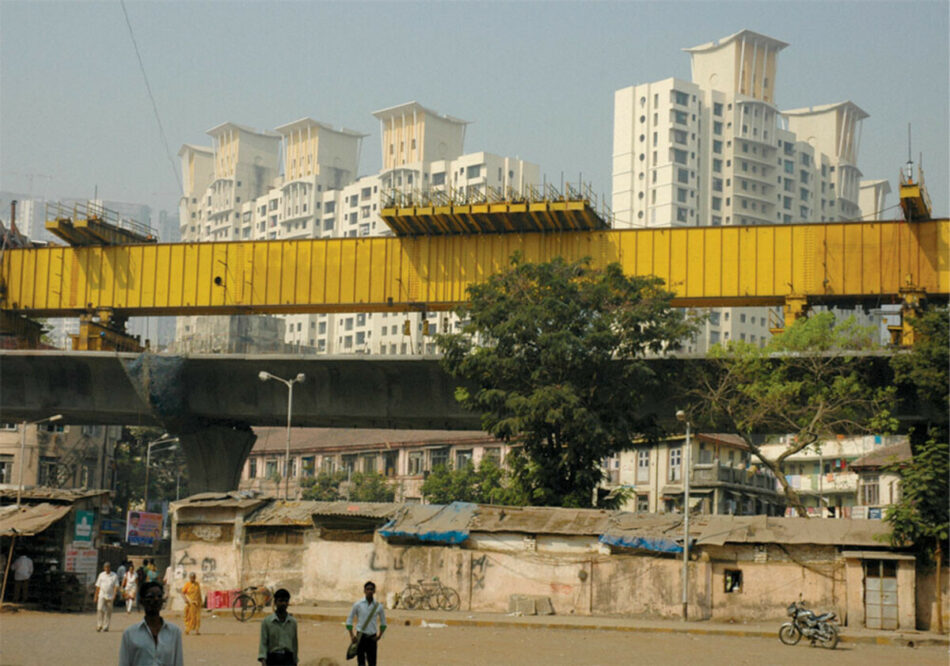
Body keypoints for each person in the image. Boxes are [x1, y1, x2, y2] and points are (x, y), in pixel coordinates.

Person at [118, 581, 183, 666]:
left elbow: (178, 662)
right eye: (150, 597)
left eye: (159, 596)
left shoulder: (174, 632)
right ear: (142, 601)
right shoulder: (130, 634)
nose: (156, 600)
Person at [346, 581, 387, 666]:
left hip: (372, 638)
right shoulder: (358, 605)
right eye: (368, 589)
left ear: (374, 591)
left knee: (372, 662)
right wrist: (352, 635)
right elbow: (349, 620)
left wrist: (379, 636)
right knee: (361, 662)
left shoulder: (378, 606)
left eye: (371, 589)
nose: (369, 591)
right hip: (360, 637)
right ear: (364, 591)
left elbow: (383, 623)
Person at [258, 588, 298, 665]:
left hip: (288, 659)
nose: (283, 603)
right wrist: (263, 660)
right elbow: (263, 643)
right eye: (281, 601)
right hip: (273, 659)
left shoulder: (293, 622)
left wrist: (295, 660)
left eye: (286, 601)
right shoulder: (267, 622)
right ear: (275, 602)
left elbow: (294, 644)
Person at [94, 561, 119, 632]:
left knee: (108, 611)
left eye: (108, 567)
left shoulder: (114, 575)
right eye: (106, 567)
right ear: (104, 568)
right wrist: (96, 596)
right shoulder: (101, 575)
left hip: (110, 595)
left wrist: (114, 595)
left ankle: (106, 626)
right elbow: (98, 586)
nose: (107, 569)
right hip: (102, 594)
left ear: (110, 568)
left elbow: (116, 586)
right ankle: (99, 625)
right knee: (99, 609)